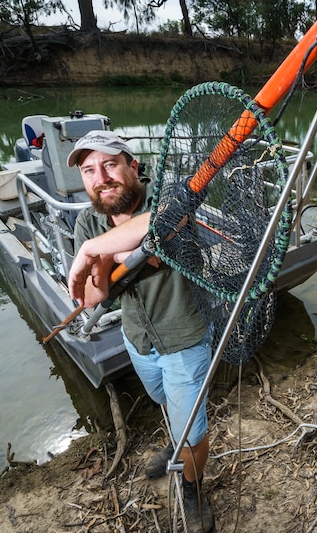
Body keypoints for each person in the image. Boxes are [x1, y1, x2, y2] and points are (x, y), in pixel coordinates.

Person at [66, 130, 214, 533]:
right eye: (89, 170)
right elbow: (94, 295)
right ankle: (175, 443)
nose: (101, 178)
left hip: (184, 337)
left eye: (110, 165)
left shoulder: (168, 193)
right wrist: (107, 253)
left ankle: (193, 487)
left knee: (193, 430)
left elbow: (163, 221)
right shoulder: (87, 220)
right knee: (165, 400)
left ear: (133, 166)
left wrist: (92, 251)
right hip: (139, 339)